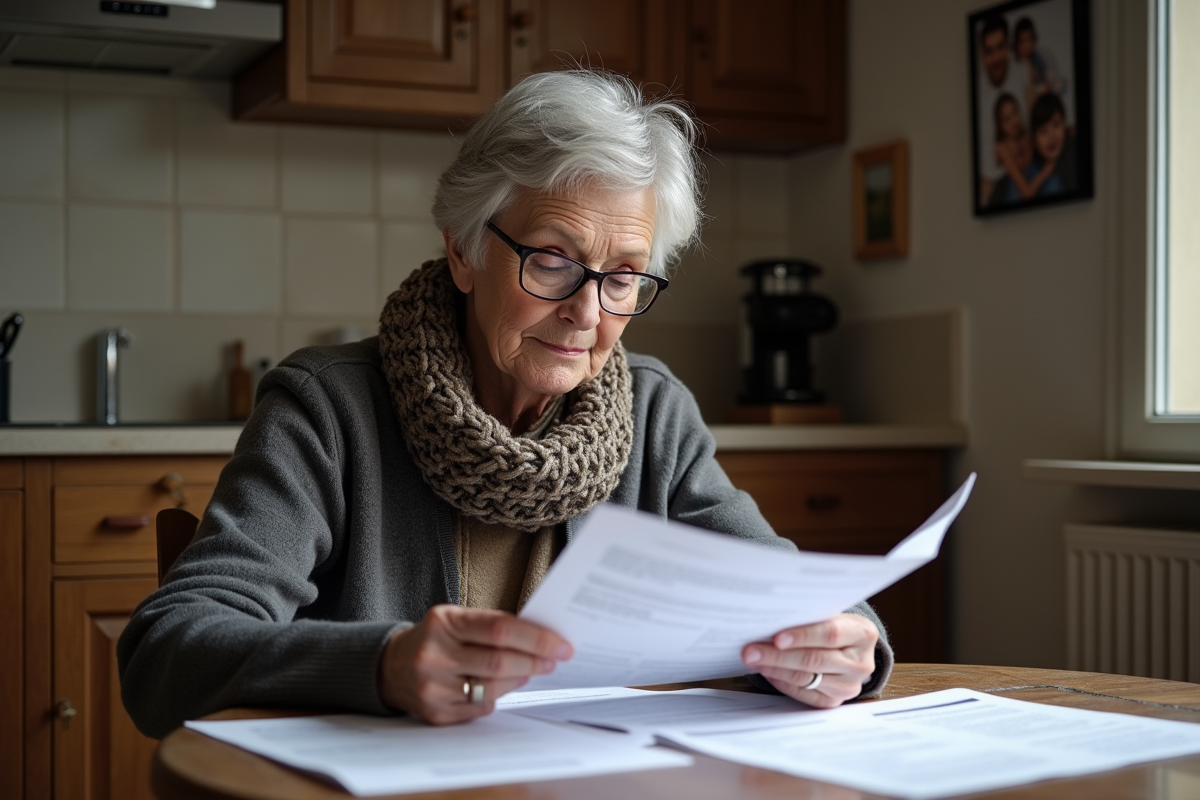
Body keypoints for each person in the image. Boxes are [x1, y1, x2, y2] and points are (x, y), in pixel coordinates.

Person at [117, 69, 892, 738]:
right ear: (464, 247)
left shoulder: (654, 413)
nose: (588, 313)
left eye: (623, 275)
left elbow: (804, 598)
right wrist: (382, 664)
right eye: (554, 260)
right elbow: (169, 651)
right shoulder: (327, 408)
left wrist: (844, 644)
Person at [975, 14, 1027, 206]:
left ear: (1008, 48)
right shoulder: (977, 92)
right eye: (989, 51)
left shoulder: (1023, 73)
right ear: (982, 56)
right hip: (991, 185)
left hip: (1020, 174)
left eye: (1000, 48)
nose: (996, 58)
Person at [989, 92, 1057, 205]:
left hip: (1031, 183)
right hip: (1011, 187)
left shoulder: (1027, 137)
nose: (1013, 121)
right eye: (1006, 119)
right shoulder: (1002, 147)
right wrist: (1044, 173)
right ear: (1000, 125)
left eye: (1015, 112)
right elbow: (1026, 192)